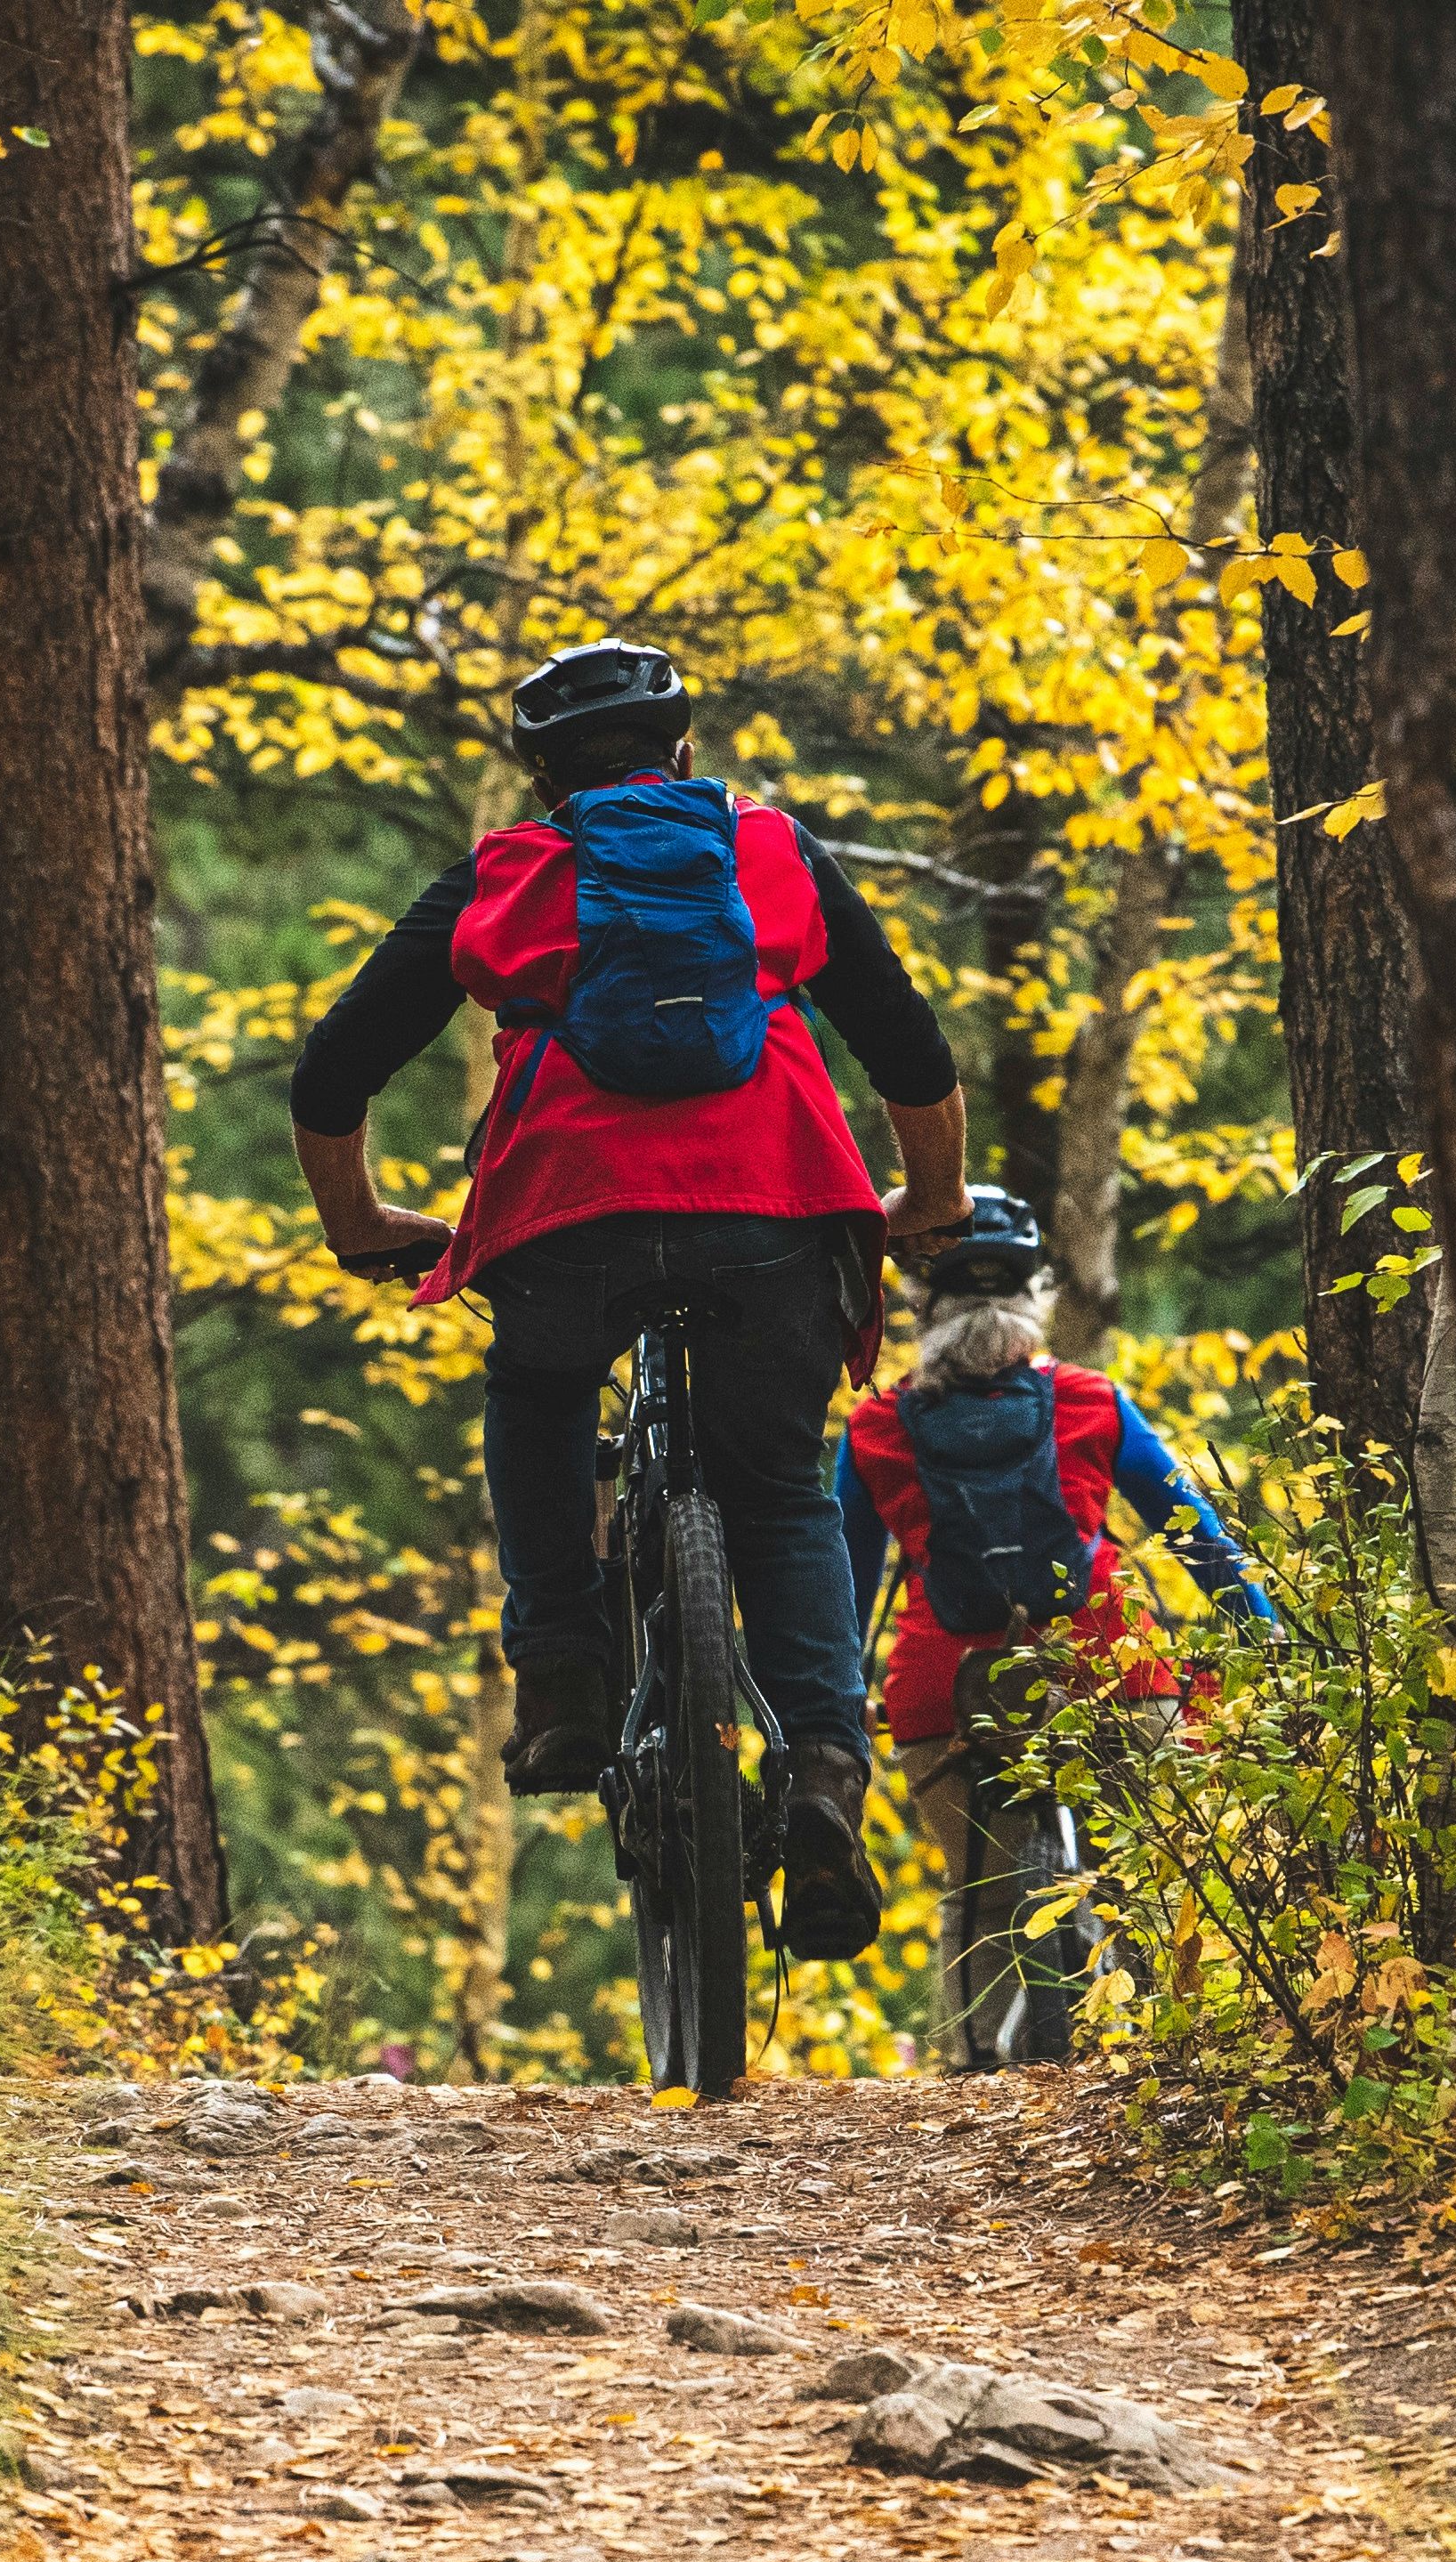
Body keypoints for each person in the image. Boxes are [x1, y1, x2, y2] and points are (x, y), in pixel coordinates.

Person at [286, 639, 973, 1964]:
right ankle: (824, 1769)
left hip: (569, 1210)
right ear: (685, 750)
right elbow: (909, 1044)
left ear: (544, 781)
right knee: (777, 1488)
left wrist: (358, 1223)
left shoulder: (505, 873)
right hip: (772, 1202)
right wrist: (929, 1198)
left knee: (541, 1392)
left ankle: (560, 1674)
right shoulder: (771, 850)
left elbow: (333, 1069)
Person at [837, 1192, 1275, 2068]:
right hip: (1110, 1667)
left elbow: (841, 1586)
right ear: (1034, 1297)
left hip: (946, 1691)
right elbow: (1197, 1537)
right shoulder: (1090, 1400)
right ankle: (1175, 2061)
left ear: (922, 1306)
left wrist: (835, 1697)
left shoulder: (877, 1426)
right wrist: (1264, 1639)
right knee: (1147, 1875)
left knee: (980, 1894)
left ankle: (975, 2079)